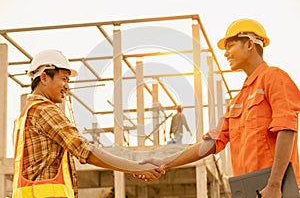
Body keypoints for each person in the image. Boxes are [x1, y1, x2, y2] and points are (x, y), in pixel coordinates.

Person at [138, 18, 300, 198]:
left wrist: (275, 184)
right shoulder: (238, 100)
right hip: (249, 190)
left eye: (230, 45)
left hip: (276, 190)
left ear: (249, 44)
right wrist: (164, 162)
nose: (226, 54)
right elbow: (211, 142)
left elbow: (287, 128)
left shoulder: (274, 77)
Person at [12, 49, 163, 198]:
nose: (67, 86)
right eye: (64, 79)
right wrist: (135, 167)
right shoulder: (45, 111)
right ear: (44, 78)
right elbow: (85, 151)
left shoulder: (24, 116)